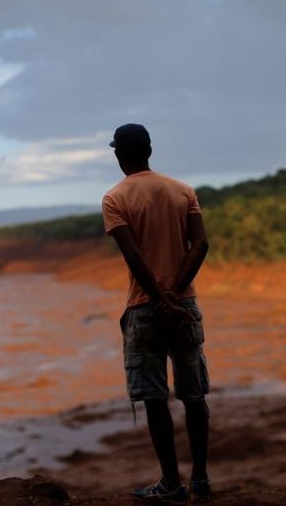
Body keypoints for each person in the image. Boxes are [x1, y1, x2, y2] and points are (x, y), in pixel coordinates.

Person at [101, 123, 211, 504]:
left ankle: (170, 483)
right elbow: (201, 243)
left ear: (119, 155)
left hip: (145, 308)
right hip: (185, 306)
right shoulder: (183, 191)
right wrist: (177, 293)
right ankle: (200, 480)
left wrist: (160, 300)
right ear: (150, 149)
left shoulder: (115, 198)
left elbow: (133, 255)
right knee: (194, 396)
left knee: (154, 398)